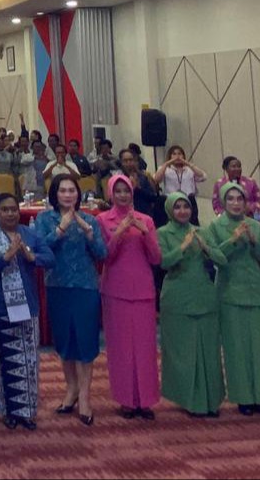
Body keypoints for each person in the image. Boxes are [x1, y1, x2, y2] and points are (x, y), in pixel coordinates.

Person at [0, 193, 55, 430]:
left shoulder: (29, 234)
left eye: (13, 209)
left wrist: (31, 256)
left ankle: (27, 411)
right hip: (0, 306)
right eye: (5, 210)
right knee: (3, 359)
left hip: (27, 305)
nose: (10, 213)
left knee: (28, 360)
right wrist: (6, 257)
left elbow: (50, 258)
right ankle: (7, 411)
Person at [35, 174, 106, 426]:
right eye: (63, 190)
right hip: (58, 286)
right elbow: (39, 250)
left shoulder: (90, 219)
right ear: (55, 195)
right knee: (64, 340)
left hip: (85, 286)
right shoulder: (44, 219)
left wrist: (88, 233)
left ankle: (85, 396)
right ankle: (71, 389)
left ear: (78, 194)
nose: (68, 195)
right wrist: (61, 229)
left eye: (72, 190)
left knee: (85, 340)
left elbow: (102, 253)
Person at [203, 182, 260, 416]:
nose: (235, 203)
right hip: (229, 292)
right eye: (230, 199)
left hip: (257, 291)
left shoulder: (255, 226)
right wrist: (233, 240)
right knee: (236, 347)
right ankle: (243, 398)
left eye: (240, 199)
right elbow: (216, 258)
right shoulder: (215, 227)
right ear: (223, 202)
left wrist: (253, 241)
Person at [98, 174, 162, 420]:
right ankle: (126, 400)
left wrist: (145, 233)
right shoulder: (103, 219)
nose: (123, 195)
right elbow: (105, 256)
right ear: (111, 194)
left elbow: (156, 258)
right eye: (118, 191)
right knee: (121, 348)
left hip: (143, 289)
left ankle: (145, 400)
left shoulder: (146, 220)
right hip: (116, 289)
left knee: (145, 348)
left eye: (126, 191)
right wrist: (120, 232)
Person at [157, 193, 227, 418]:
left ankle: (211, 401)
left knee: (208, 350)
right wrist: (183, 247)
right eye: (177, 207)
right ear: (170, 210)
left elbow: (222, 260)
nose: (182, 211)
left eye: (185, 206)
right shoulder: (162, 233)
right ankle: (190, 400)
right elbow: (163, 262)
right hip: (177, 297)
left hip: (204, 295)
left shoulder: (201, 231)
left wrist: (206, 248)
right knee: (184, 351)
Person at [153, 146, 208, 225]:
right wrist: (167, 163)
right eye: (174, 154)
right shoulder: (165, 169)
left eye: (179, 154)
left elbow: (203, 176)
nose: (177, 156)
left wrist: (188, 164)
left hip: (188, 200)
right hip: (171, 200)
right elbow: (156, 179)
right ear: (170, 156)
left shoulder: (189, 169)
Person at [117, 149, 158, 219]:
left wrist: (138, 188)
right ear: (121, 162)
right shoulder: (117, 178)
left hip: (143, 213)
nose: (129, 163)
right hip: (123, 215)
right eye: (125, 161)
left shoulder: (142, 177)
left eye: (130, 160)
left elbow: (152, 197)